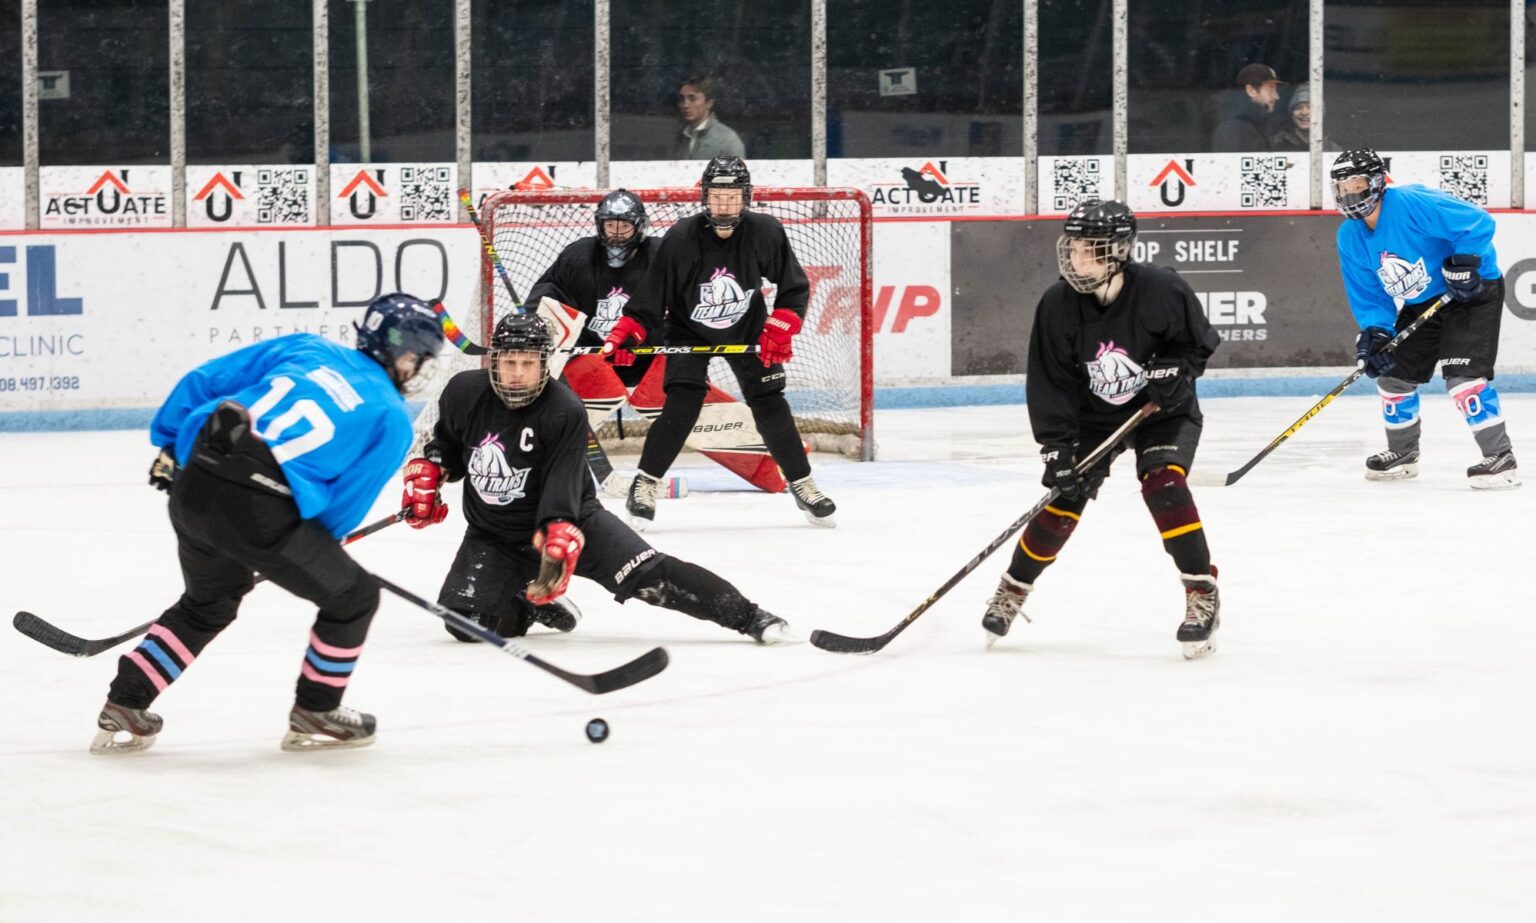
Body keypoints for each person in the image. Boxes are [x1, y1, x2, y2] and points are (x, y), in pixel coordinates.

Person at [91, 293, 446, 755]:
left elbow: (204, 381)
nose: (417, 368)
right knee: (354, 597)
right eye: (418, 358)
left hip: (194, 477)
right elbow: (339, 513)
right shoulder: (392, 419)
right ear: (404, 355)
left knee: (209, 602)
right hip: (258, 507)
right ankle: (317, 709)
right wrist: (304, 548)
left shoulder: (308, 347)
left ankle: (126, 702)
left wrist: (170, 444)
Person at [403, 311, 794, 645]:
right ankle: (527, 604)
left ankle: (749, 617)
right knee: (465, 623)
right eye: (509, 362)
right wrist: (433, 471)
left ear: (545, 364)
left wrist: (558, 529)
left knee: (649, 578)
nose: (518, 374)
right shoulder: (463, 392)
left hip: (574, 521)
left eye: (528, 363)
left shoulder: (563, 409)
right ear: (493, 361)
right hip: (494, 534)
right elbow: (448, 446)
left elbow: (562, 483)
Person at [980, 199, 1224, 660]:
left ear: (1120, 250)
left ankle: (1201, 592)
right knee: (1064, 497)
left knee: (1164, 484)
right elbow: (1050, 383)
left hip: (1161, 412)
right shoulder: (1057, 304)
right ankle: (1012, 589)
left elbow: (1198, 345)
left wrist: (1175, 370)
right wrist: (1056, 448)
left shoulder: (1162, 288)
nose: (1077, 259)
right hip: (1092, 417)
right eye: (1072, 248)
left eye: (1089, 249)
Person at [602, 156, 837, 529]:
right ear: (704, 197)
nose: (724, 205)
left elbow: (794, 286)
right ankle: (644, 485)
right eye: (716, 196)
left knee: (769, 402)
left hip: (748, 329)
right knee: (683, 402)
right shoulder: (681, 237)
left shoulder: (765, 232)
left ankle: (802, 483)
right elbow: (652, 296)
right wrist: (626, 332)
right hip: (688, 330)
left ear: (746, 197)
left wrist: (780, 326)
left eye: (732, 196)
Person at [1332, 148, 1520, 489]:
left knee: (1462, 378)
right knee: (1393, 376)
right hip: (1423, 303)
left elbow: (1476, 221)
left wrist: (1465, 262)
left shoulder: (1410, 202)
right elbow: (1368, 293)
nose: (1350, 195)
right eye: (1343, 188)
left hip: (1470, 294)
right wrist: (1376, 332)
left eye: (1357, 185)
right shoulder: (1349, 236)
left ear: (1377, 182)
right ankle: (1403, 454)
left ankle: (1500, 457)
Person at [525, 188, 656, 388]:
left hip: (646, 358)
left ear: (639, 226)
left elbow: (675, 309)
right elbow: (548, 295)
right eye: (610, 225)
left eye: (625, 226)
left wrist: (641, 344)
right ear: (600, 225)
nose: (617, 234)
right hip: (590, 359)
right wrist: (530, 320)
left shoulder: (658, 256)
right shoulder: (578, 256)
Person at [1211, 63, 1285, 152]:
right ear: (1251, 90)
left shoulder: (1251, 122)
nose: (1277, 96)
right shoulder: (1235, 128)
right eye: (1271, 89)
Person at [675, 75, 746, 160]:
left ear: (709, 103)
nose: (685, 105)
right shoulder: (681, 136)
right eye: (682, 99)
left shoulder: (727, 139)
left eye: (692, 99)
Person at [1268, 84, 1339, 153]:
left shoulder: (1332, 149)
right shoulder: (1274, 145)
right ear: (1292, 115)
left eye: (1311, 107)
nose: (1304, 112)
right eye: (1298, 108)